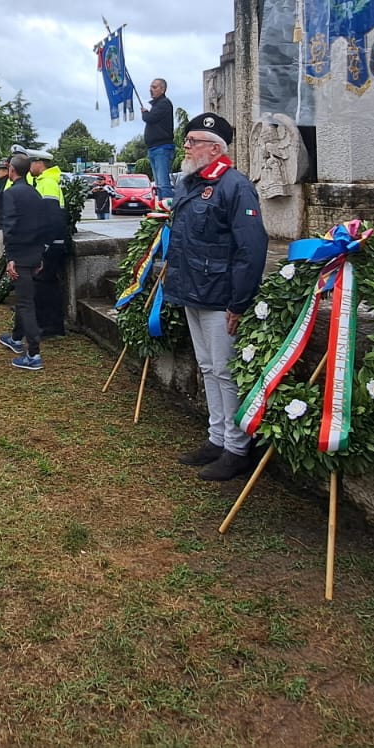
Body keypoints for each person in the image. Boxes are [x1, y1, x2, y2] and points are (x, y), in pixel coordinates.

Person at [164, 113, 268, 483]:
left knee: (225, 372)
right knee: (209, 368)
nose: (187, 147)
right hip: (193, 291)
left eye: (193, 141)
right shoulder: (192, 183)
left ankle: (238, 449)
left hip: (221, 297)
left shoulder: (235, 185)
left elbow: (251, 249)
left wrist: (238, 303)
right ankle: (217, 437)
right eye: (188, 141)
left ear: (214, 147)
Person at [0, 154, 48, 371]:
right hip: (33, 255)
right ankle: (16, 338)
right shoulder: (35, 194)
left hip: (19, 256)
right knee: (24, 298)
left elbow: (9, 228)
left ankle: (34, 354)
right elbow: (42, 227)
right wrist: (40, 256)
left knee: (27, 303)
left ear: (11, 170)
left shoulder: (11, 194)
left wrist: (10, 258)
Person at [139, 78, 176, 201]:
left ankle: (168, 213)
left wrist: (145, 113)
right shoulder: (157, 105)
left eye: (154, 87)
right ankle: (162, 209)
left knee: (163, 183)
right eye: (151, 87)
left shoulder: (164, 103)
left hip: (162, 148)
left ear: (162, 89)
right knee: (159, 184)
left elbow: (150, 118)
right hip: (154, 148)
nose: (151, 90)